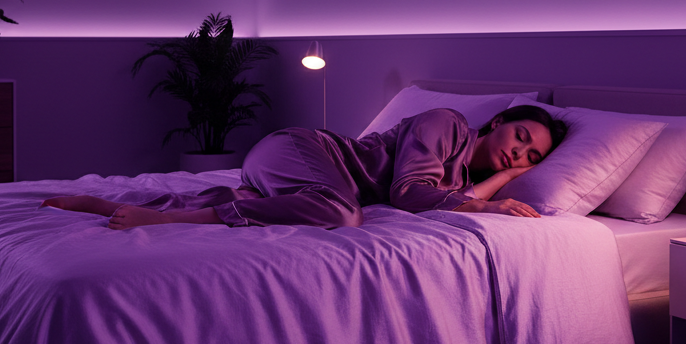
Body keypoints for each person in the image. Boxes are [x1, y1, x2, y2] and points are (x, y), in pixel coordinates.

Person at [42, 105, 567, 230]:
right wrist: (488, 202)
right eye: (520, 138)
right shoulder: (446, 123)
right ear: (497, 121)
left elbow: (445, 191)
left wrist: (501, 182)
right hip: (302, 148)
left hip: (298, 172)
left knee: (259, 204)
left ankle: (111, 206)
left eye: (531, 158)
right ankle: (164, 222)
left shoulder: (458, 179)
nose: (519, 155)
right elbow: (408, 192)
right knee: (342, 215)